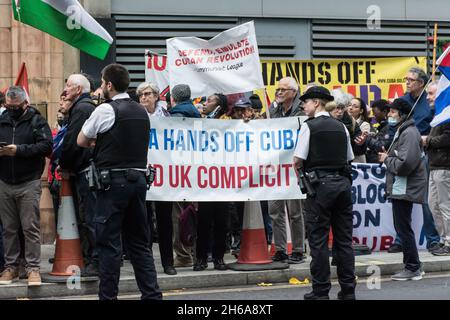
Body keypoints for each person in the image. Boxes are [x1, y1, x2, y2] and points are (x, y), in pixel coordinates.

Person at [77, 64, 161, 300]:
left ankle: (108, 298)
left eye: (103, 82)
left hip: (113, 184)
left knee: (109, 246)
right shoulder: (141, 110)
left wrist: (98, 142)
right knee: (140, 245)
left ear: (109, 85)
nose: (101, 87)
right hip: (139, 182)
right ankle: (152, 296)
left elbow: (82, 140)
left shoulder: (105, 110)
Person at [293, 86, 356, 300]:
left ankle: (320, 292)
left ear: (316, 103)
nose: (304, 105)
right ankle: (348, 291)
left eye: (306, 102)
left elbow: (297, 159)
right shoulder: (341, 127)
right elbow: (349, 158)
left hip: (320, 188)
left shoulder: (308, 126)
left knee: (318, 241)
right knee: (344, 241)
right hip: (343, 186)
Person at [0, 86, 53, 286]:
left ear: (25, 104)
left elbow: (47, 146)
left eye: (16, 106)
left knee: (30, 227)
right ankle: (11, 267)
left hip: (29, 181)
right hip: (4, 181)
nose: (11, 109)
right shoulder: (2, 120)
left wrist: (18, 150)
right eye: (8, 106)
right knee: (9, 228)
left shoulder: (36, 120)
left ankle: (32, 268)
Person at [378, 98, 427, 280]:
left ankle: (412, 267)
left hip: (404, 187)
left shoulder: (409, 133)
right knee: (403, 227)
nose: (389, 114)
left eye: (392, 111)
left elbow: (405, 164)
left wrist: (386, 159)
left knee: (403, 228)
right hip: (400, 187)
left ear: (402, 114)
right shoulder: (404, 131)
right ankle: (414, 265)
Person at [58, 74, 98, 277]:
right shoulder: (82, 107)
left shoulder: (82, 108)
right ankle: (90, 257)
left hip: (83, 171)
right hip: (82, 169)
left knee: (88, 216)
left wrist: (64, 164)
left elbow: (73, 142)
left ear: (78, 89)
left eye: (68, 86)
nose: (65, 90)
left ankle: (95, 261)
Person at [137, 81, 175, 275]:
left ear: (156, 96)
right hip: (141, 173)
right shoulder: (135, 116)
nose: (144, 97)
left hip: (163, 176)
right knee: (143, 221)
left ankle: (168, 262)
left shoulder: (168, 117)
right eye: (141, 94)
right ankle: (146, 264)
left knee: (164, 220)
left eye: (148, 93)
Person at [268, 77, 306, 264]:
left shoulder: (302, 110)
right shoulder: (273, 110)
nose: (279, 92)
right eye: (277, 90)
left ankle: (298, 249)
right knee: (275, 210)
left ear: (293, 92)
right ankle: (281, 249)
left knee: (295, 212)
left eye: (283, 90)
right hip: (276, 167)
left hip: (294, 167)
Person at [194, 93, 230, 271]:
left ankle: (218, 257)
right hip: (205, 179)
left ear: (219, 105)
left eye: (210, 100)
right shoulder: (198, 120)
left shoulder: (228, 122)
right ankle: (200, 258)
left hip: (223, 180)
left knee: (221, 222)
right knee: (203, 221)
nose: (205, 103)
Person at [423, 81, 450, 256]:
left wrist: (428, 141)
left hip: (444, 167)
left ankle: (449, 241)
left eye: (431, 94)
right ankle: (443, 239)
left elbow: (447, 139)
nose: (427, 97)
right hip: (434, 166)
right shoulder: (438, 116)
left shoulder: (446, 115)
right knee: (433, 205)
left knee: (445, 205)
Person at [331, 89, 367, 163]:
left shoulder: (352, 122)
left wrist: (360, 143)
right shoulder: (322, 120)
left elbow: (358, 151)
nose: (340, 111)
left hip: (345, 165)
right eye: (337, 108)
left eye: (342, 108)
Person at [364, 99, 391, 163]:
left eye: (375, 113)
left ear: (384, 112)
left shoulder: (390, 127)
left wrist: (367, 138)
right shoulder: (383, 126)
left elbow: (381, 147)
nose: (374, 116)